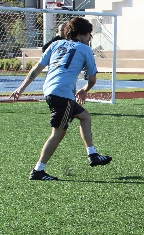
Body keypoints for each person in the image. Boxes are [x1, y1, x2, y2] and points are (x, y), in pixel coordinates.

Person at [10, 17, 112, 181]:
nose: (89, 39)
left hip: (51, 91)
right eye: (88, 35)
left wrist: (21, 88)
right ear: (79, 34)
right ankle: (38, 170)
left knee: (84, 116)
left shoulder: (55, 44)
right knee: (58, 133)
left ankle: (92, 155)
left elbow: (37, 68)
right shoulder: (85, 49)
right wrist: (85, 90)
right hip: (62, 94)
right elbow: (92, 79)